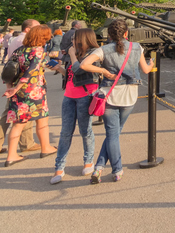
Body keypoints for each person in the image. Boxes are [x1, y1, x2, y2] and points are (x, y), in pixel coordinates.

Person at [79, 19, 154, 183]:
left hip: (109, 95)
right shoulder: (137, 47)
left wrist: (104, 71)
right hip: (129, 96)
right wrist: (151, 63)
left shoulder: (103, 49)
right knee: (114, 134)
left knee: (112, 134)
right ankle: (113, 169)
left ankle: (104, 168)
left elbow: (84, 65)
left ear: (110, 35)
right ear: (126, 33)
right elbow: (146, 70)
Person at [46, 28, 101, 184]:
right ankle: (59, 167)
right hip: (69, 96)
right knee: (65, 132)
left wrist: (71, 54)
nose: (71, 42)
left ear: (83, 39)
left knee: (85, 131)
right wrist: (59, 69)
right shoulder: (74, 53)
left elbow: (79, 70)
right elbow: (71, 74)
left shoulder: (93, 54)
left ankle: (88, 161)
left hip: (85, 96)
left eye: (74, 39)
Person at [2, 25, 58, 166]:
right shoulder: (38, 50)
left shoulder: (20, 50)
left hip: (19, 91)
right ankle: (45, 147)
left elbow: (8, 70)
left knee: (18, 124)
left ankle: (11, 155)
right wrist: (16, 88)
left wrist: (11, 88)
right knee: (42, 120)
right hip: (34, 90)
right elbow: (30, 72)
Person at [0, 20, 39, 158]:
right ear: (28, 29)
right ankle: (26, 143)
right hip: (23, 83)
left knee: (7, 115)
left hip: (13, 80)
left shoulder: (15, 39)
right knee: (24, 114)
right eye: (37, 27)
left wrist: (9, 84)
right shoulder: (27, 42)